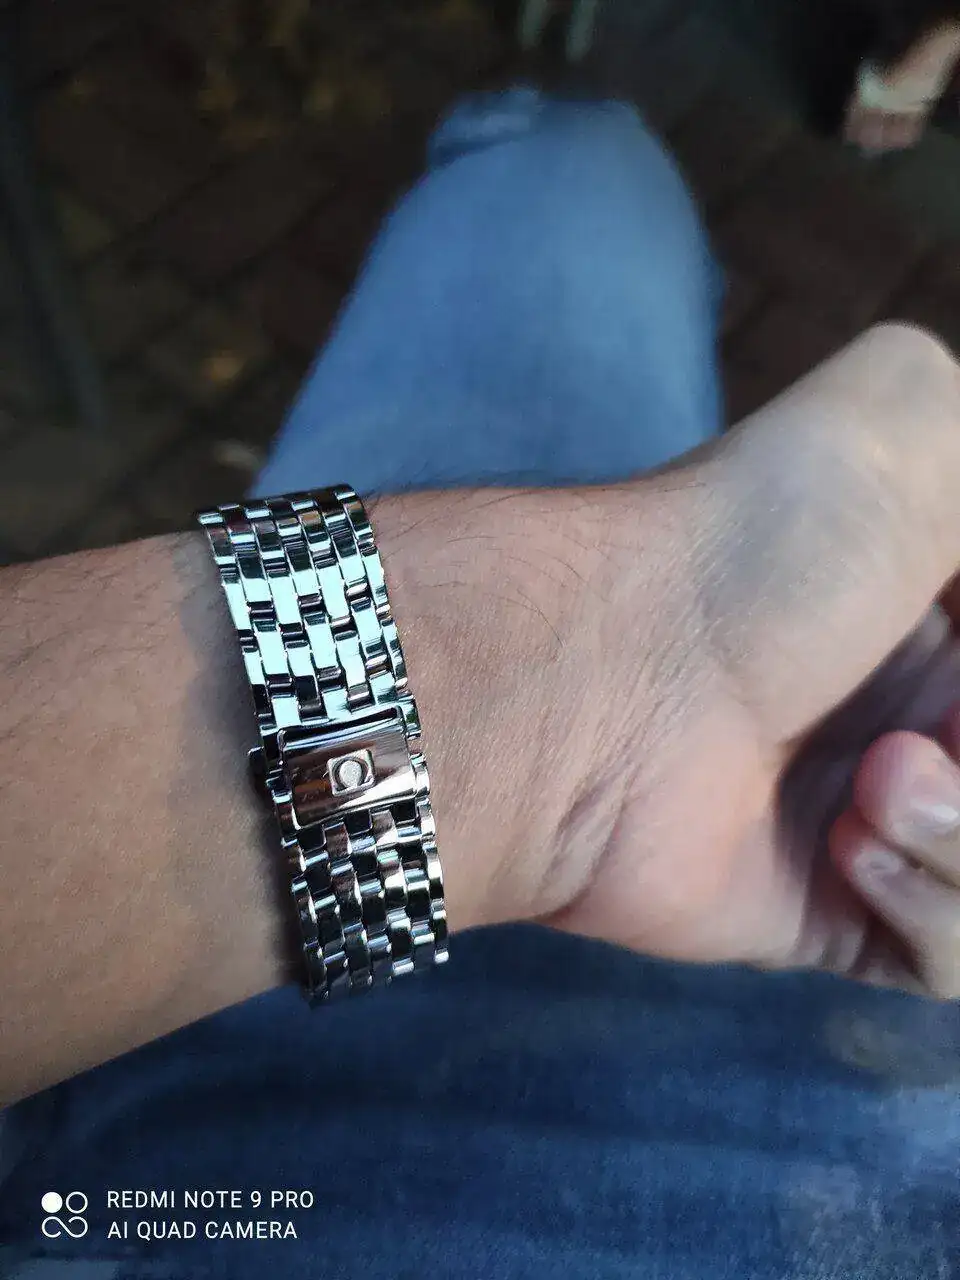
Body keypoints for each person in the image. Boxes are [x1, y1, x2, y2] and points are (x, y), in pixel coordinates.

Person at [1, 86, 960, 1278]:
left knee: (566, 156)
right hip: (778, 955)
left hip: (163, 1194)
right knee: (587, 161)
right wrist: (595, 733)